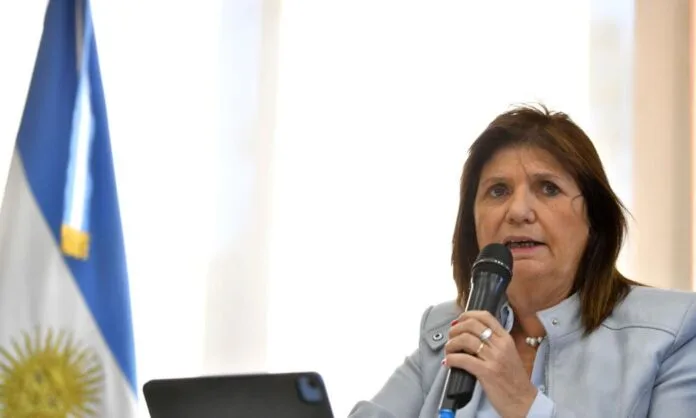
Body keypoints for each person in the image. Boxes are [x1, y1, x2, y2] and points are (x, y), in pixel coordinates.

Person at [348, 105, 696, 417]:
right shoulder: (449, 331)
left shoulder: (673, 332)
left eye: (548, 188)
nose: (518, 211)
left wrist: (521, 402)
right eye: (498, 191)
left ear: (595, 220)